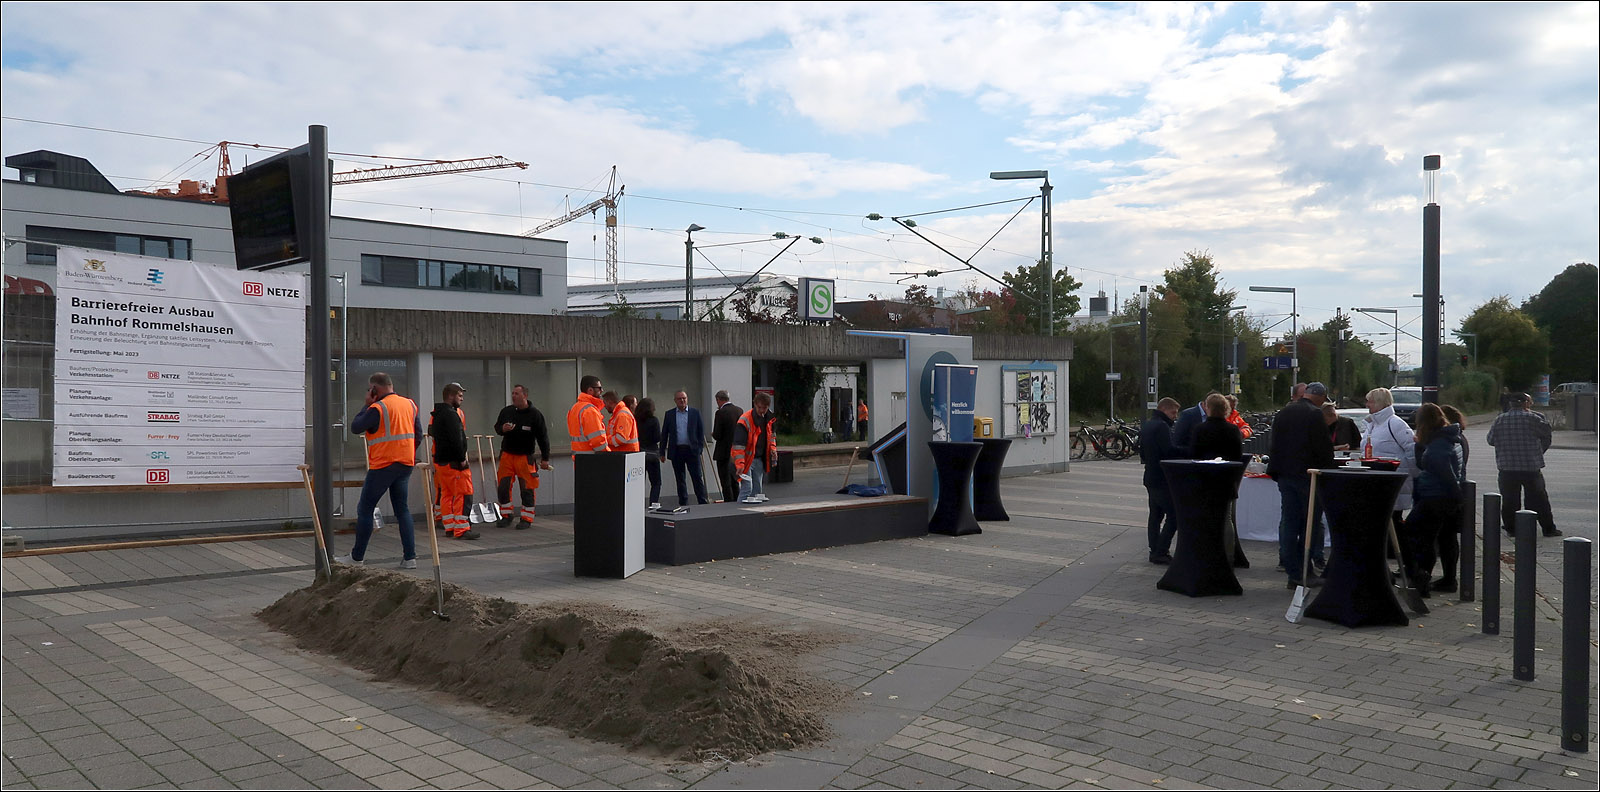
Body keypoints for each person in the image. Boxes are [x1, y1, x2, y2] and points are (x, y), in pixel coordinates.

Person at [337, 372, 422, 568]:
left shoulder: (377, 408)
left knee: (365, 509)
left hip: (383, 465)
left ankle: (356, 558)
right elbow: (417, 434)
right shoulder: (409, 404)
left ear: (375, 389)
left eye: (370, 389)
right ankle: (410, 558)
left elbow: (356, 427)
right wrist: (406, 451)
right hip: (405, 463)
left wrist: (367, 403)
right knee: (402, 510)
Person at [1268, 381, 1335, 589]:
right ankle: (1304, 571)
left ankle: (1292, 571)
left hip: (1285, 475)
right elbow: (1323, 449)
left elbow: (1275, 443)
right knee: (1309, 525)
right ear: (1321, 397)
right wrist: (1330, 470)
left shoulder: (1284, 412)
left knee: (1289, 523)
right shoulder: (1315, 414)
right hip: (1307, 477)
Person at [1405, 403, 1464, 597]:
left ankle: (1422, 576)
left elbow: (1445, 474)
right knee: (1444, 538)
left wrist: (1456, 498)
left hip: (1436, 497)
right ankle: (1445, 579)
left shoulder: (1437, 446)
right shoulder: (1446, 439)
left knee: (1419, 534)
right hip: (1443, 497)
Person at [1487, 392, 1560, 537]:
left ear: (1510, 404)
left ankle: (1511, 528)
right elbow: (1546, 435)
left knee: (1509, 500)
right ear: (1526, 403)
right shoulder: (1534, 419)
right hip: (1530, 466)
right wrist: (1539, 451)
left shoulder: (1500, 420)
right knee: (1538, 500)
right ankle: (1548, 529)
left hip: (1507, 467)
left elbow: (1490, 440)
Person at [1359, 387, 1417, 541]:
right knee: (1384, 523)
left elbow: (1412, 450)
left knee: (1394, 522)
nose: (1367, 405)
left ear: (1379, 403)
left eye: (1369, 401)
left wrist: (1413, 475)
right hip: (1378, 480)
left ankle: (1406, 560)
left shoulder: (1395, 424)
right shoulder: (1372, 425)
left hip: (1393, 481)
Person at [493, 384, 552, 529]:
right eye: (512, 393)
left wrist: (545, 458)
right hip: (507, 455)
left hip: (525, 457)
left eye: (517, 394)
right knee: (503, 487)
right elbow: (497, 428)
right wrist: (502, 429)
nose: (513, 396)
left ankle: (526, 518)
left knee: (527, 488)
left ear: (525, 395)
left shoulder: (535, 415)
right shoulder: (506, 411)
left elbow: (543, 438)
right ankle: (506, 515)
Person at [427, 382, 478, 540]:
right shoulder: (451, 414)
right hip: (454, 462)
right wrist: (462, 458)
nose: (462, 399)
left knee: (447, 494)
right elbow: (457, 438)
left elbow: (434, 434)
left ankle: (449, 527)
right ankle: (462, 529)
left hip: (441, 461)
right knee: (464, 493)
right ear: (451, 396)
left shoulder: (438, 414)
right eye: (459, 395)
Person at [1140, 397, 1183, 564]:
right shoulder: (1162, 427)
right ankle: (1161, 551)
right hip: (1162, 478)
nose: (1175, 416)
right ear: (1164, 409)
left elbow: (1142, 453)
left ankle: (1154, 548)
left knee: (1155, 515)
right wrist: (1187, 452)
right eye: (1173, 412)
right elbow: (1168, 451)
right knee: (1174, 515)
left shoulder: (1148, 425)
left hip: (1150, 475)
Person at [659, 390, 709, 507]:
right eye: (679, 399)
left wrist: (699, 449)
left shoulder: (695, 413)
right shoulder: (670, 414)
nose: (682, 401)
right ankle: (683, 504)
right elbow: (664, 434)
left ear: (687, 399)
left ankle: (702, 502)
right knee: (680, 479)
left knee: (697, 478)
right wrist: (662, 452)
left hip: (692, 451)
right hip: (677, 451)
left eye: (684, 398)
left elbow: (700, 432)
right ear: (675, 400)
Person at [732, 392, 777, 503]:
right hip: (747, 459)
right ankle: (739, 512)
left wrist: (773, 450)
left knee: (757, 490)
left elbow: (771, 437)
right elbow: (738, 445)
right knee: (747, 488)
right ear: (755, 405)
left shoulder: (769, 419)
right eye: (759, 407)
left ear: (768, 407)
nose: (762, 410)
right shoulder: (745, 420)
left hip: (759, 458)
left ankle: (753, 515)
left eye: (765, 408)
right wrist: (740, 464)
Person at [711, 390, 743, 502]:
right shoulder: (739, 410)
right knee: (734, 479)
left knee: (725, 481)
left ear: (718, 400)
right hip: (736, 451)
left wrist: (713, 434)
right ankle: (737, 500)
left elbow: (718, 434)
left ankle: (728, 502)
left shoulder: (720, 413)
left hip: (723, 452)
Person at [1191, 393, 1242, 461]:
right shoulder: (1233, 430)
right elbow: (1237, 455)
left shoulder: (1199, 429)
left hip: (1204, 469)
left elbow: (1194, 454)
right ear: (1226, 409)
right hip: (1227, 469)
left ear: (1208, 408)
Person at [567, 375, 609, 456]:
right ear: (590, 390)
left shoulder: (575, 408)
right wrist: (608, 456)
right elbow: (598, 441)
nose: (602, 390)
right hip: (592, 460)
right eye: (599, 388)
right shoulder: (590, 411)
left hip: (579, 458)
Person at [636, 397, 663, 509]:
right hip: (651, 454)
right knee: (656, 482)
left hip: (639, 453)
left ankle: (637, 505)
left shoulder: (635, 419)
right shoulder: (654, 420)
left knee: (639, 483)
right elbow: (657, 438)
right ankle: (653, 505)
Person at [1172, 391, 1217, 455]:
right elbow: (1177, 440)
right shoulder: (1187, 415)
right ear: (1206, 404)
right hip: (1191, 459)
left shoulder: (1216, 417)